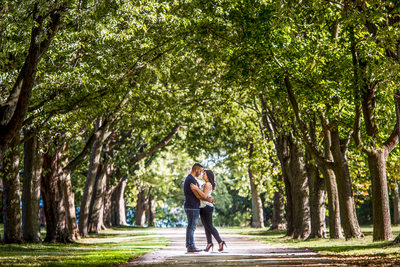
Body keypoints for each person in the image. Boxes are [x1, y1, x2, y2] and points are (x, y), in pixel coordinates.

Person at [190, 169, 227, 252]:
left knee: (210, 226)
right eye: (203, 174)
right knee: (206, 227)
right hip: (202, 207)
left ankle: (220, 242)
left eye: (204, 174)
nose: (203, 175)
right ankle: (209, 243)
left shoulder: (208, 184)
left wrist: (196, 188)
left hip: (207, 207)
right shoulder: (204, 184)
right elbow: (202, 197)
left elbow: (204, 196)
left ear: (209, 176)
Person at [183, 163, 214, 252]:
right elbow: (199, 196)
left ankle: (190, 245)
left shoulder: (190, 179)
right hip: (192, 206)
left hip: (191, 206)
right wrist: (208, 199)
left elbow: (199, 195)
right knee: (191, 227)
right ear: (196, 169)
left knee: (191, 226)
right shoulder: (191, 180)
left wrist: (206, 198)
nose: (200, 173)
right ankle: (190, 246)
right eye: (200, 171)